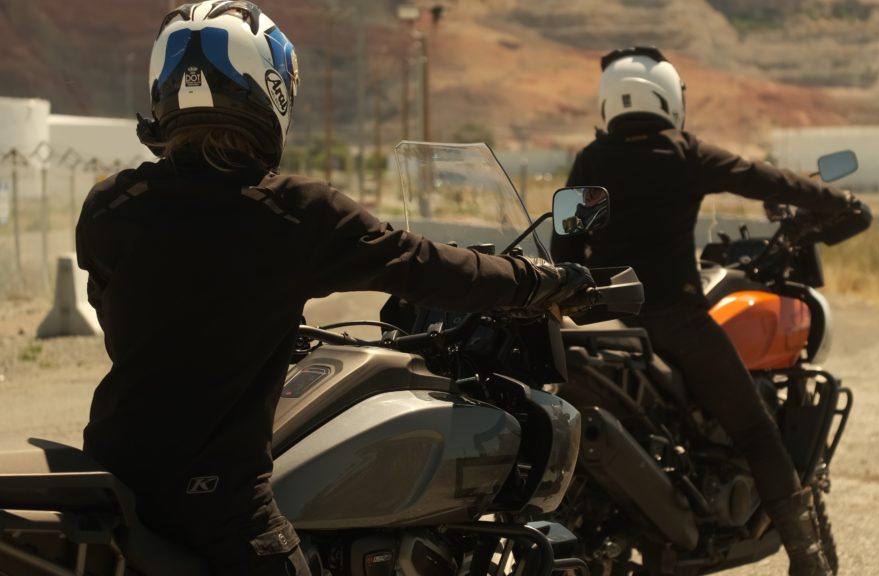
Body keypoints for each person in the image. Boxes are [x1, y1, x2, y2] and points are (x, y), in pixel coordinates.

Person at [76, 2, 592, 575]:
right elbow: (427, 265)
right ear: (269, 88)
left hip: (108, 473)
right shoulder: (295, 214)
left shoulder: (111, 205)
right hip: (219, 502)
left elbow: (124, 317)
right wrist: (538, 281)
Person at [550, 47, 870, 576]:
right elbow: (763, 178)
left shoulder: (593, 159)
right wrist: (834, 202)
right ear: (671, 98)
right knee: (757, 430)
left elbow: (567, 250)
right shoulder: (684, 153)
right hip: (675, 319)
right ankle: (808, 562)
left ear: (609, 102)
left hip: (602, 320)